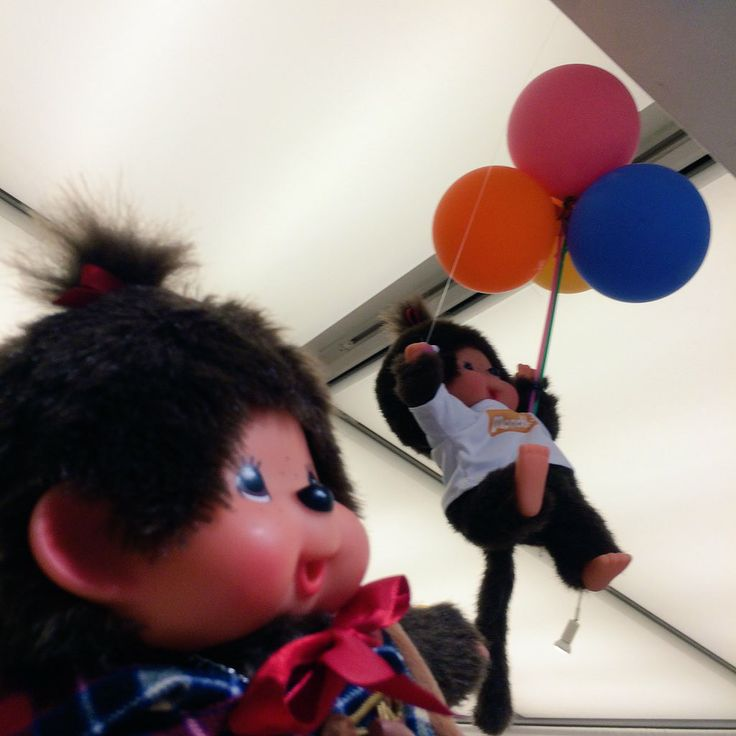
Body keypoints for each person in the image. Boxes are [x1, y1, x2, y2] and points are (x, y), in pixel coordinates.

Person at [375, 298, 631, 735]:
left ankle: (590, 563)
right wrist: (419, 368)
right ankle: (525, 496)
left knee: (578, 519)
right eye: (469, 368)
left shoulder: (519, 417)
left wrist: (533, 389)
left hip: (554, 482)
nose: (491, 380)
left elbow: (545, 424)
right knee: (510, 497)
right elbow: (425, 400)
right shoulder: (454, 419)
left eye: (493, 370)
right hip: (481, 494)